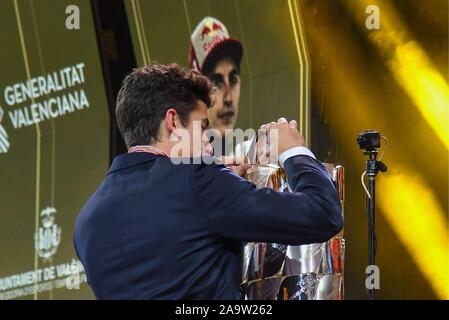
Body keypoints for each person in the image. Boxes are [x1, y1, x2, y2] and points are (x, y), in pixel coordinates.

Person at [73, 63, 343, 299]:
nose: (209, 145)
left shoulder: (87, 221)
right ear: (173, 121)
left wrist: (221, 187)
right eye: (202, 127)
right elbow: (322, 214)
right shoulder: (195, 179)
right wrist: (293, 151)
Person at [189, 17, 243, 155]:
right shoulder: (186, 168)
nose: (228, 98)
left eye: (233, 79)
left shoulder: (249, 159)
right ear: (196, 93)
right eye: (216, 83)